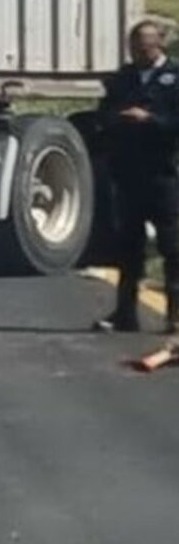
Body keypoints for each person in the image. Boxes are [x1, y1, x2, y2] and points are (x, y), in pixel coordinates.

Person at [95, 20, 179, 334]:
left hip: (162, 174)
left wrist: (151, 120)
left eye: (144, 47)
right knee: (128, 248)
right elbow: (104, 113)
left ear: (159, 46)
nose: (138, 53)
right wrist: (114, 121)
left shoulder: (174, 79)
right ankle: (124, 313)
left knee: (172, 247)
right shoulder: (123, 79)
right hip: (128, 173)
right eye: (134, 47)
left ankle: (174, 315)